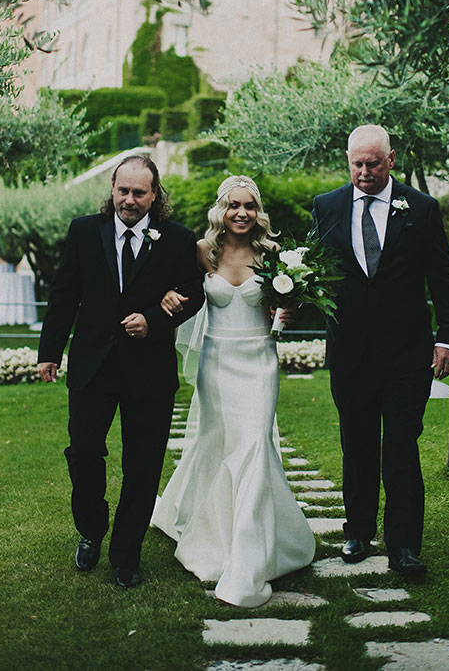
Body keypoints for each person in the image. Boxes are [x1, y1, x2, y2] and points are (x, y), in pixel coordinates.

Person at [37, 155, 204, 589]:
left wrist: (155, 319)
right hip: (92, 367)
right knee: (83, 452)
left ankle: (126, 554)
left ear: (154, 194)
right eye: (123, 191)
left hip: (149, 371)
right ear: (112, 189)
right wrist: (49, 352)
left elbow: (194, 292)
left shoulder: (176, 238)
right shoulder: (83, 231)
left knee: (143, 465)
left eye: (139, 193)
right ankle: (91, 529)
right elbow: (64, 293)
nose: (129, 200)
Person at [151, 176, 315, 607]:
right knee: (216, 442)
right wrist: (165, 295)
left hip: (259, 361)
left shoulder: (275, 254)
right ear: (221, 210)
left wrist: (289, 309)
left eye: (249, 206)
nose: (242, 213)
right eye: (233, 205)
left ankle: (248, 554)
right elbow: (179, 288)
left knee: (255, 444)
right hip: (217, 362)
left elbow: (289, 306)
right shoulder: (203, 251)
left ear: (258, 212)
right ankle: (206, 524)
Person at [312, 125, 449, 578]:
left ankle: (404, 547)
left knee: (400, 446)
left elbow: (443, 279)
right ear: (348, 161)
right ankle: (357, 532)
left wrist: (448, 337)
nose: (364, 172)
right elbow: (313, 268)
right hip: (350, 353)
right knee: (356, 445)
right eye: (356, 164)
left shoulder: (422, 208)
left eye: (373, 163)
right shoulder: (326, 206)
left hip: (406, 355)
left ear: (391, 160)